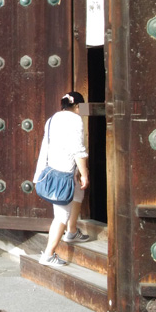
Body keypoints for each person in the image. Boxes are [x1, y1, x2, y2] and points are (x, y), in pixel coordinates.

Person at [34, 90, 89, 267]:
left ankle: (71, 232)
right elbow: (78, 150)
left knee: (78, 194)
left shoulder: (53, 119)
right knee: (61, 215)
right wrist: (84, 173)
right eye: (82, 107)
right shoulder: (75, 120)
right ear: (78, 106)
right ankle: (48, 255)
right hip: (63, 173)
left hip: (55, 168)